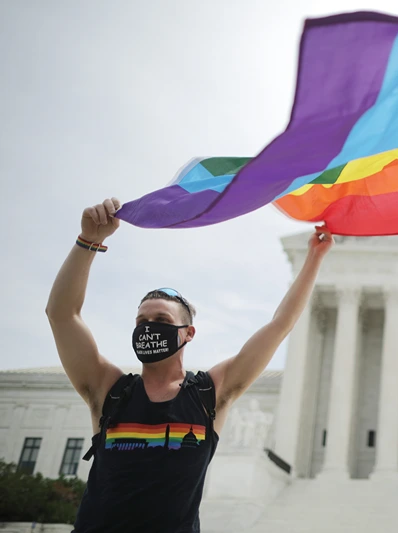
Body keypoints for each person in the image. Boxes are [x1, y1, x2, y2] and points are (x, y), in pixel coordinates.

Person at [45, 197, 332, 532]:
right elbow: (62, 315)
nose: (148, 326)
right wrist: (89, 241)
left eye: (161, 319)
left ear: (187, 333)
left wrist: (313, 259)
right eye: (142, 320)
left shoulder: (209, 394)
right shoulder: (109, 389)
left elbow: (279, 325)